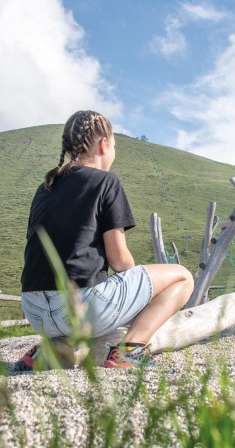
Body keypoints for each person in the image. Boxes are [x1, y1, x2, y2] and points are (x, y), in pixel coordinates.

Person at [15, 110, 194, 371]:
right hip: (80, 307)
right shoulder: (105, 181)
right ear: (103, 144)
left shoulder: (46, 187)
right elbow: (120, 261)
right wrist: (136, 292)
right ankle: (130, 350)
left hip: (34, 311)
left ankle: (50, 349)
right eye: (114, 145)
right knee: (182, 276)